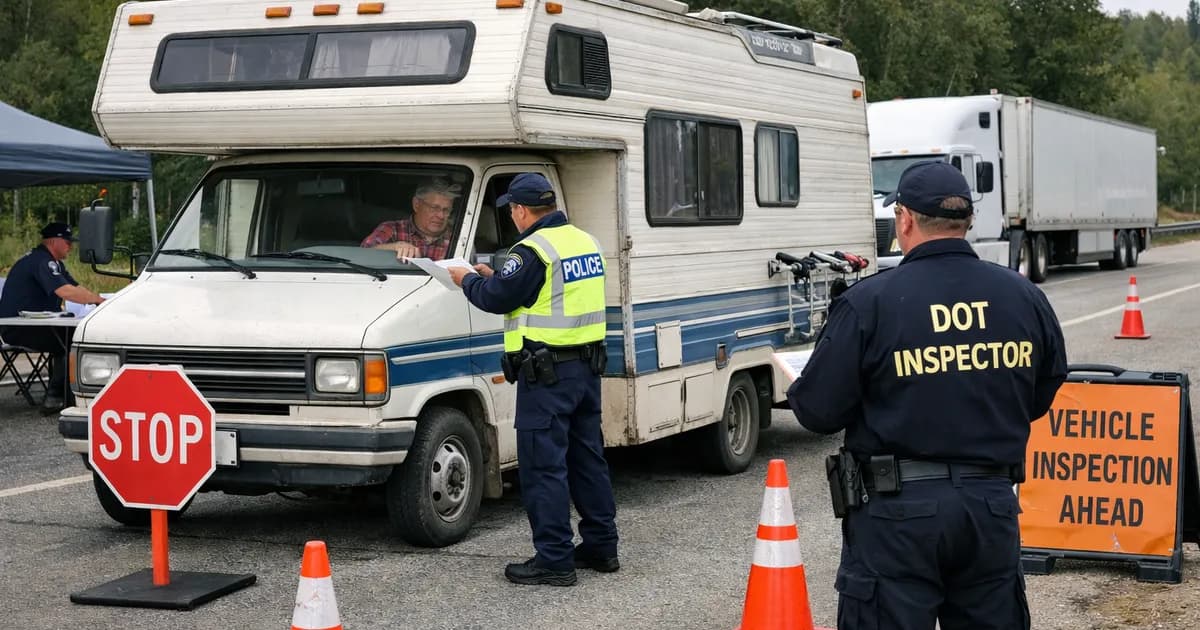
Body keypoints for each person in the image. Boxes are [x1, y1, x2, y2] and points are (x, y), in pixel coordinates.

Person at [787, 161, 1067, 630]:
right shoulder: (1023, 296)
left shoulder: (868, 302)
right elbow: (1042, 390)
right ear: (968, 222)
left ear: (905, 220)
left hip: (897, 515)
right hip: (990, 508)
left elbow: (816, 411)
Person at [447, 173, 619, 587]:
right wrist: (498, 277)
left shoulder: (533, 249)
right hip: (585, 369)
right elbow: (544, 293)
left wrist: (467, 279)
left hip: (547, 376)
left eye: (512, 210)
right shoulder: (585, 241)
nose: (512, 216)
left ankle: (554, 558)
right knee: (587, 460)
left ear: (522, 211)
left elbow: (496, 299)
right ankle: (602, 546)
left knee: (544, 467)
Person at [0, 222, 106, 411]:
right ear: (54, 242)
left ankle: (64, 393)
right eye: (67, 242)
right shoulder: (42, 261)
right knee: (70, 342)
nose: (71, 246)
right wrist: (97, 301)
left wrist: (98, 300)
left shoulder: (52, 262)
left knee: (70, 336)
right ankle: (57, 396)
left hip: (34, 326)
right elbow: (66, 291)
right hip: (18, 328)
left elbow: (75, 287)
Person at [360, 178, 462, 260]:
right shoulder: (392, 229)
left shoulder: (459, 237)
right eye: (434, 208)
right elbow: (362, 253)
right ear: (416, 204)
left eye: (446, 210)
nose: (441, 215)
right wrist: (394, 247)